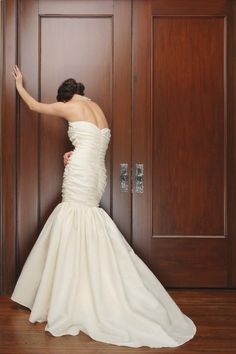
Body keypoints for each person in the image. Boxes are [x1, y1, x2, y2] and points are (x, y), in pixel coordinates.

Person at [10, 64, 197, 348]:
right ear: (81, 93)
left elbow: (35, 106)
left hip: (82, 172)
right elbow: (93, 144)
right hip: (98, 174)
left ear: (65, 98)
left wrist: (20, 85)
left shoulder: (69, 106)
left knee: (71, 219)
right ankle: (89, 287)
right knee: (86, 221)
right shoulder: (97, 108)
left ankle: (70, 296)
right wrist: (74, 152)